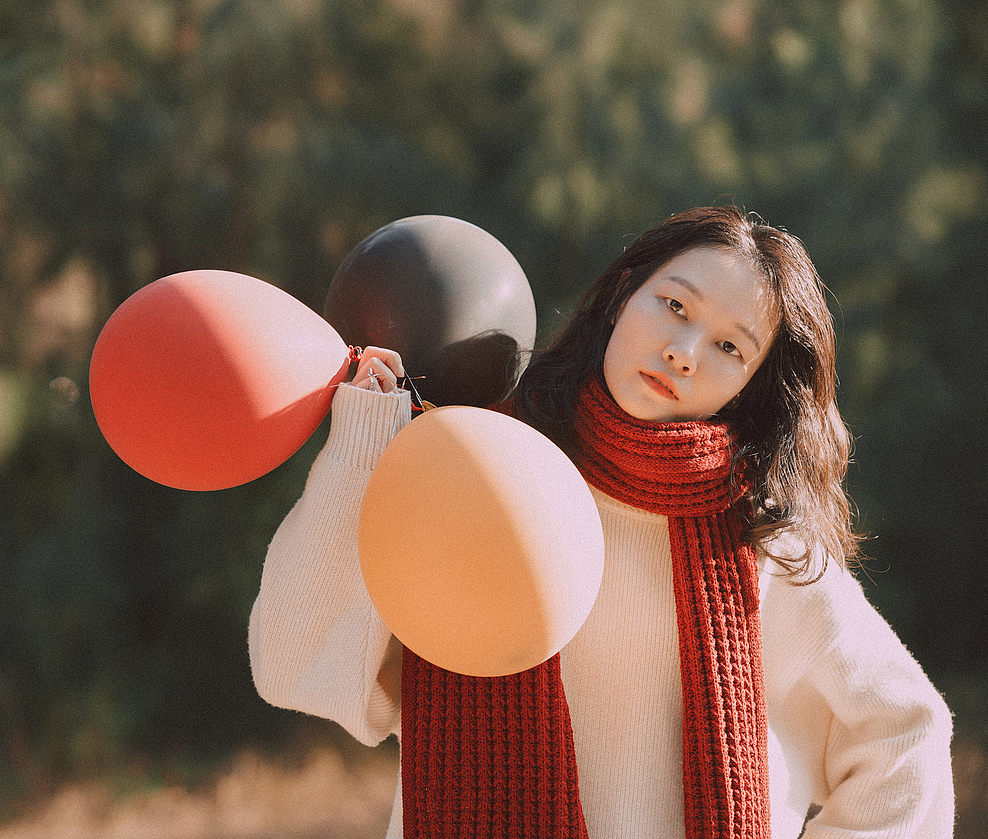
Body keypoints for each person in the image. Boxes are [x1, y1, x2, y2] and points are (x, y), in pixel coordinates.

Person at [248, 206, 954, 838]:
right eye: (675, 305)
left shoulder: (760, 542)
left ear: (751, 382)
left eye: (730, 347)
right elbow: (295, 664)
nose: (685, 350)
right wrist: (365, 441)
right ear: (623, 295)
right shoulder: (473, 472)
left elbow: (907, 736)